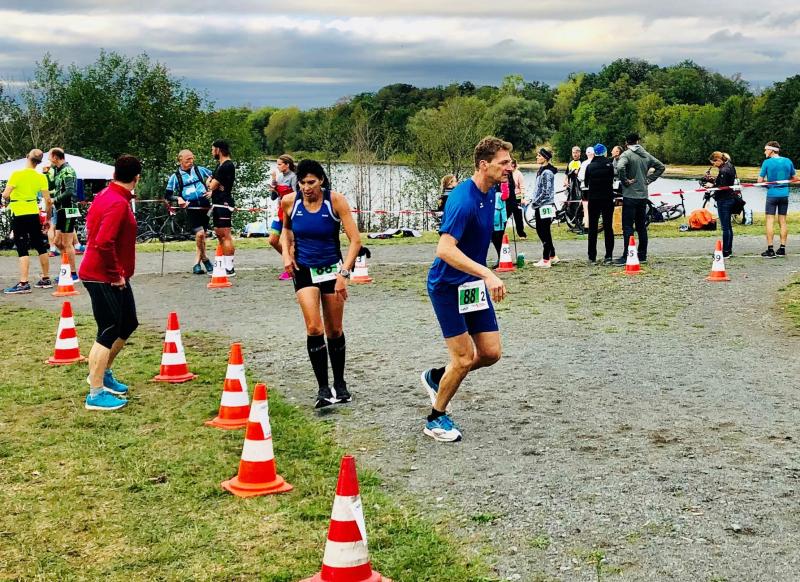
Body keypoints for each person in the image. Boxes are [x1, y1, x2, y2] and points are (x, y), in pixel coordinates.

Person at [420, 136, 509, 443]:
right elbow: (444, 249)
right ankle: (435, 418)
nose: (509, 167)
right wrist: (487, 273)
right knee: (463, 358)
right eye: (503, 163)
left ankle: (437, 377)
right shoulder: (463, 200)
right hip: (447, 286)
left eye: (510, 162)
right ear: (484, 165)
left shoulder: (491, 191)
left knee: (490, 353)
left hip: (471, 285)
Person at [280, 159, 362, 408]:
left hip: (332, 270)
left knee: (334, 330)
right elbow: (286, 230)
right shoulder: (289, 202)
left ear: (321, 181)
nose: (306, 188)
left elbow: (356, 241)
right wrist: (286, 254)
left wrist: (344, 274)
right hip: (304, 270)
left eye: (311, 182)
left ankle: (340, 384)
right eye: (302, 183)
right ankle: (323, 389)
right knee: (314, 328)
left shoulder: (335, 201)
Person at [78, 155, 141, 411]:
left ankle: (103, 372)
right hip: (103, 276)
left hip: (114, 275)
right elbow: (103, 242)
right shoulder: (116, 202)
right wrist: (115, 274)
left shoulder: (107, 195)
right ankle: (95, 393)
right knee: (108, 329)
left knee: (128, 323)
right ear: (137, 178)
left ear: (115, 174)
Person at [2, 149, 52, 293]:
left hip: (19, 213)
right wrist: (48, 218)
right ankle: (46, 278)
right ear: (39, 162)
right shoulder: (41, 177)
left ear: (27, 157)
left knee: (22, 246)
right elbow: (48, 201)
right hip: (33, 212)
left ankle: (23, 283)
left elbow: (5, 195)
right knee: (40, 245)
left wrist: (9, 195)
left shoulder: (17, 174)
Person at [614, 133, 665, 265]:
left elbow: (620, 167)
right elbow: (661, 167)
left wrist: (625, 181)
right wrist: (649, 179)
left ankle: (627, 255)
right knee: (641, 226)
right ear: (638, 141)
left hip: (630, 195)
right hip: (643, 196)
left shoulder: (626, 155)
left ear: (626, 143)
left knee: (627, 226)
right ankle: (642, 255)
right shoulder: (646, 155)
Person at [165, 149, 213, 274]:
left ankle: (197, 263)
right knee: (200, 234)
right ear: (180, 160)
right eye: (188, 159)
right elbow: (168, 195)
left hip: (205, 205)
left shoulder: (200, 170)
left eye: (192, 158)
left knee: (203, 235)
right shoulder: (175, 177)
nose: (191, 161)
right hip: (191, 207)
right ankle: (205, 259)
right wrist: (178, 198)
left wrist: (211, 190)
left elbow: (216, 177)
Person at [757, 141, 796, 257]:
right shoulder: (788, 161)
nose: (764, 152)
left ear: (771, 150)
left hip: (772, 195)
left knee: (770, 221)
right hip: (784, 195)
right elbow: (794, 178)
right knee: (783, 221)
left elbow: (759, 181)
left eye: (766, 150)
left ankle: (770, 250)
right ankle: (782, 249)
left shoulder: (767, 162)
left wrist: (769, 184)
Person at [48, 148, 80, 281]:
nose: (49, 159)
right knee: (58, 242)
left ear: (56, 157)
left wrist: (54, 200)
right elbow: (51, 187)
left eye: (50, 157)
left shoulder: (68, 170)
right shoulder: (58, 170)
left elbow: (70, 191)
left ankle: (73, 274)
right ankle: (65, 271)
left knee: (67, 243)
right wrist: (46, 173)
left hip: (69, 209)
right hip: (60, 210)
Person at [206, 140, 236, 275]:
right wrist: (213, 185)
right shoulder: (219, 165)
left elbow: (212, 184)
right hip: (217, 202)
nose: (212, 152)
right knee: (219, 234)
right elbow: (213, 184)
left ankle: (229, 267)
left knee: (225, 234)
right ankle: (223, 264)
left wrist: (210, 183)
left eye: (213, 149)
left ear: (218, 150)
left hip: (224, 203)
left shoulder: (227, 166)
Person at [584, 143, 616, 264]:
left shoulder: (590, 166)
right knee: (608, 227)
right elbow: (612, 179)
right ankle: (608, 256)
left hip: (593, 198)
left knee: (592, 227)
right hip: (607, 198)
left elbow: (586, 183)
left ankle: (592, 256)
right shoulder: (609, 165)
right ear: (605, 152)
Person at [268, 154, 298, 280]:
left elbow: (297, 195)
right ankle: (291, 260)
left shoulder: (294, 177)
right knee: (273, 240)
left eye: (280, 164)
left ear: (287, 165)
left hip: (290, 213)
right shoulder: (279, 177)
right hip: (279, 212)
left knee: (289, 242)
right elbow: (273, 197)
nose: (278, 167)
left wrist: (282, 192)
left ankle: (292, 268)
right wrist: (274, 185)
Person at [703, 152, 738, 258]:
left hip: (724, 200)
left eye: (714, 163)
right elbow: (724, 183)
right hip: (730, 198)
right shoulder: (730, 166)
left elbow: (721, 187)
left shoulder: (723, 170)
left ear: (718, 160)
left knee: (725, 227)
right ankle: (728, 249)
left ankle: (725, 251)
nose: (714, 165)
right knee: (728, 227)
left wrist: (711, 185)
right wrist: (714, 180)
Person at [531, 148, 559, 268]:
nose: (537, 157)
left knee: (543, 231)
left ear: (545, 158)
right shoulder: (542, 170)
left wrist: (535, 202)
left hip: (544, 205)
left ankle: (546, 259)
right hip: (542, 204)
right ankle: (552, 255)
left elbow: (546, 192)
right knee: (542, 230)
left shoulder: (547, 172)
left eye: (539, 155)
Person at [506, 159, 526, 238]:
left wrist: (523, 198)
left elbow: (522, 186)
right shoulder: (506, 173)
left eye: (510, 163)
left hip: (517, 197)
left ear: (513, 165)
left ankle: (521, 233)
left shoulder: (518, 174)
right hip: (508, 198)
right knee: (505, 215)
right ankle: (499, 233)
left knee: (518, 217)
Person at [491, 179, 508, 268]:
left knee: (498, 237)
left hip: (500, 215)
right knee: (493, 237)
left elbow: (505, 196)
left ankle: (501, 258)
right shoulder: (490, 182)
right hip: (491, 213)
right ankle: (500, 256)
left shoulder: (503, 181)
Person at [577, 146, 595, 231]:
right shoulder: (595, 163)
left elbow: (580, 177)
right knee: (594, 208)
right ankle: (592, 225)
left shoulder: (584, 163)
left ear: (586, 154)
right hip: (594, 188)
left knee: (586, 208)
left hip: (584, 188)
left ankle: (586, 225)